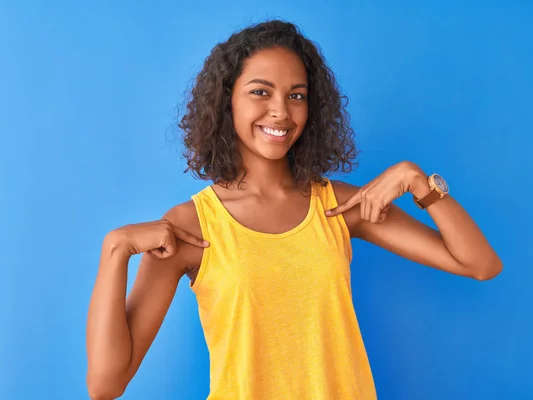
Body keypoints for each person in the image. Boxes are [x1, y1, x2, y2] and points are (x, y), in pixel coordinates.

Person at [86, 19, 502, 400]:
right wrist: (114, 250)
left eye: (296, 96)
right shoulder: (191, 226)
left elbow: (480, 264)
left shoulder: (337, 205)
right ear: (226, 101)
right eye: (260, 92)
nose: (281, 112)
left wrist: (419, 182)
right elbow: (106, 384)